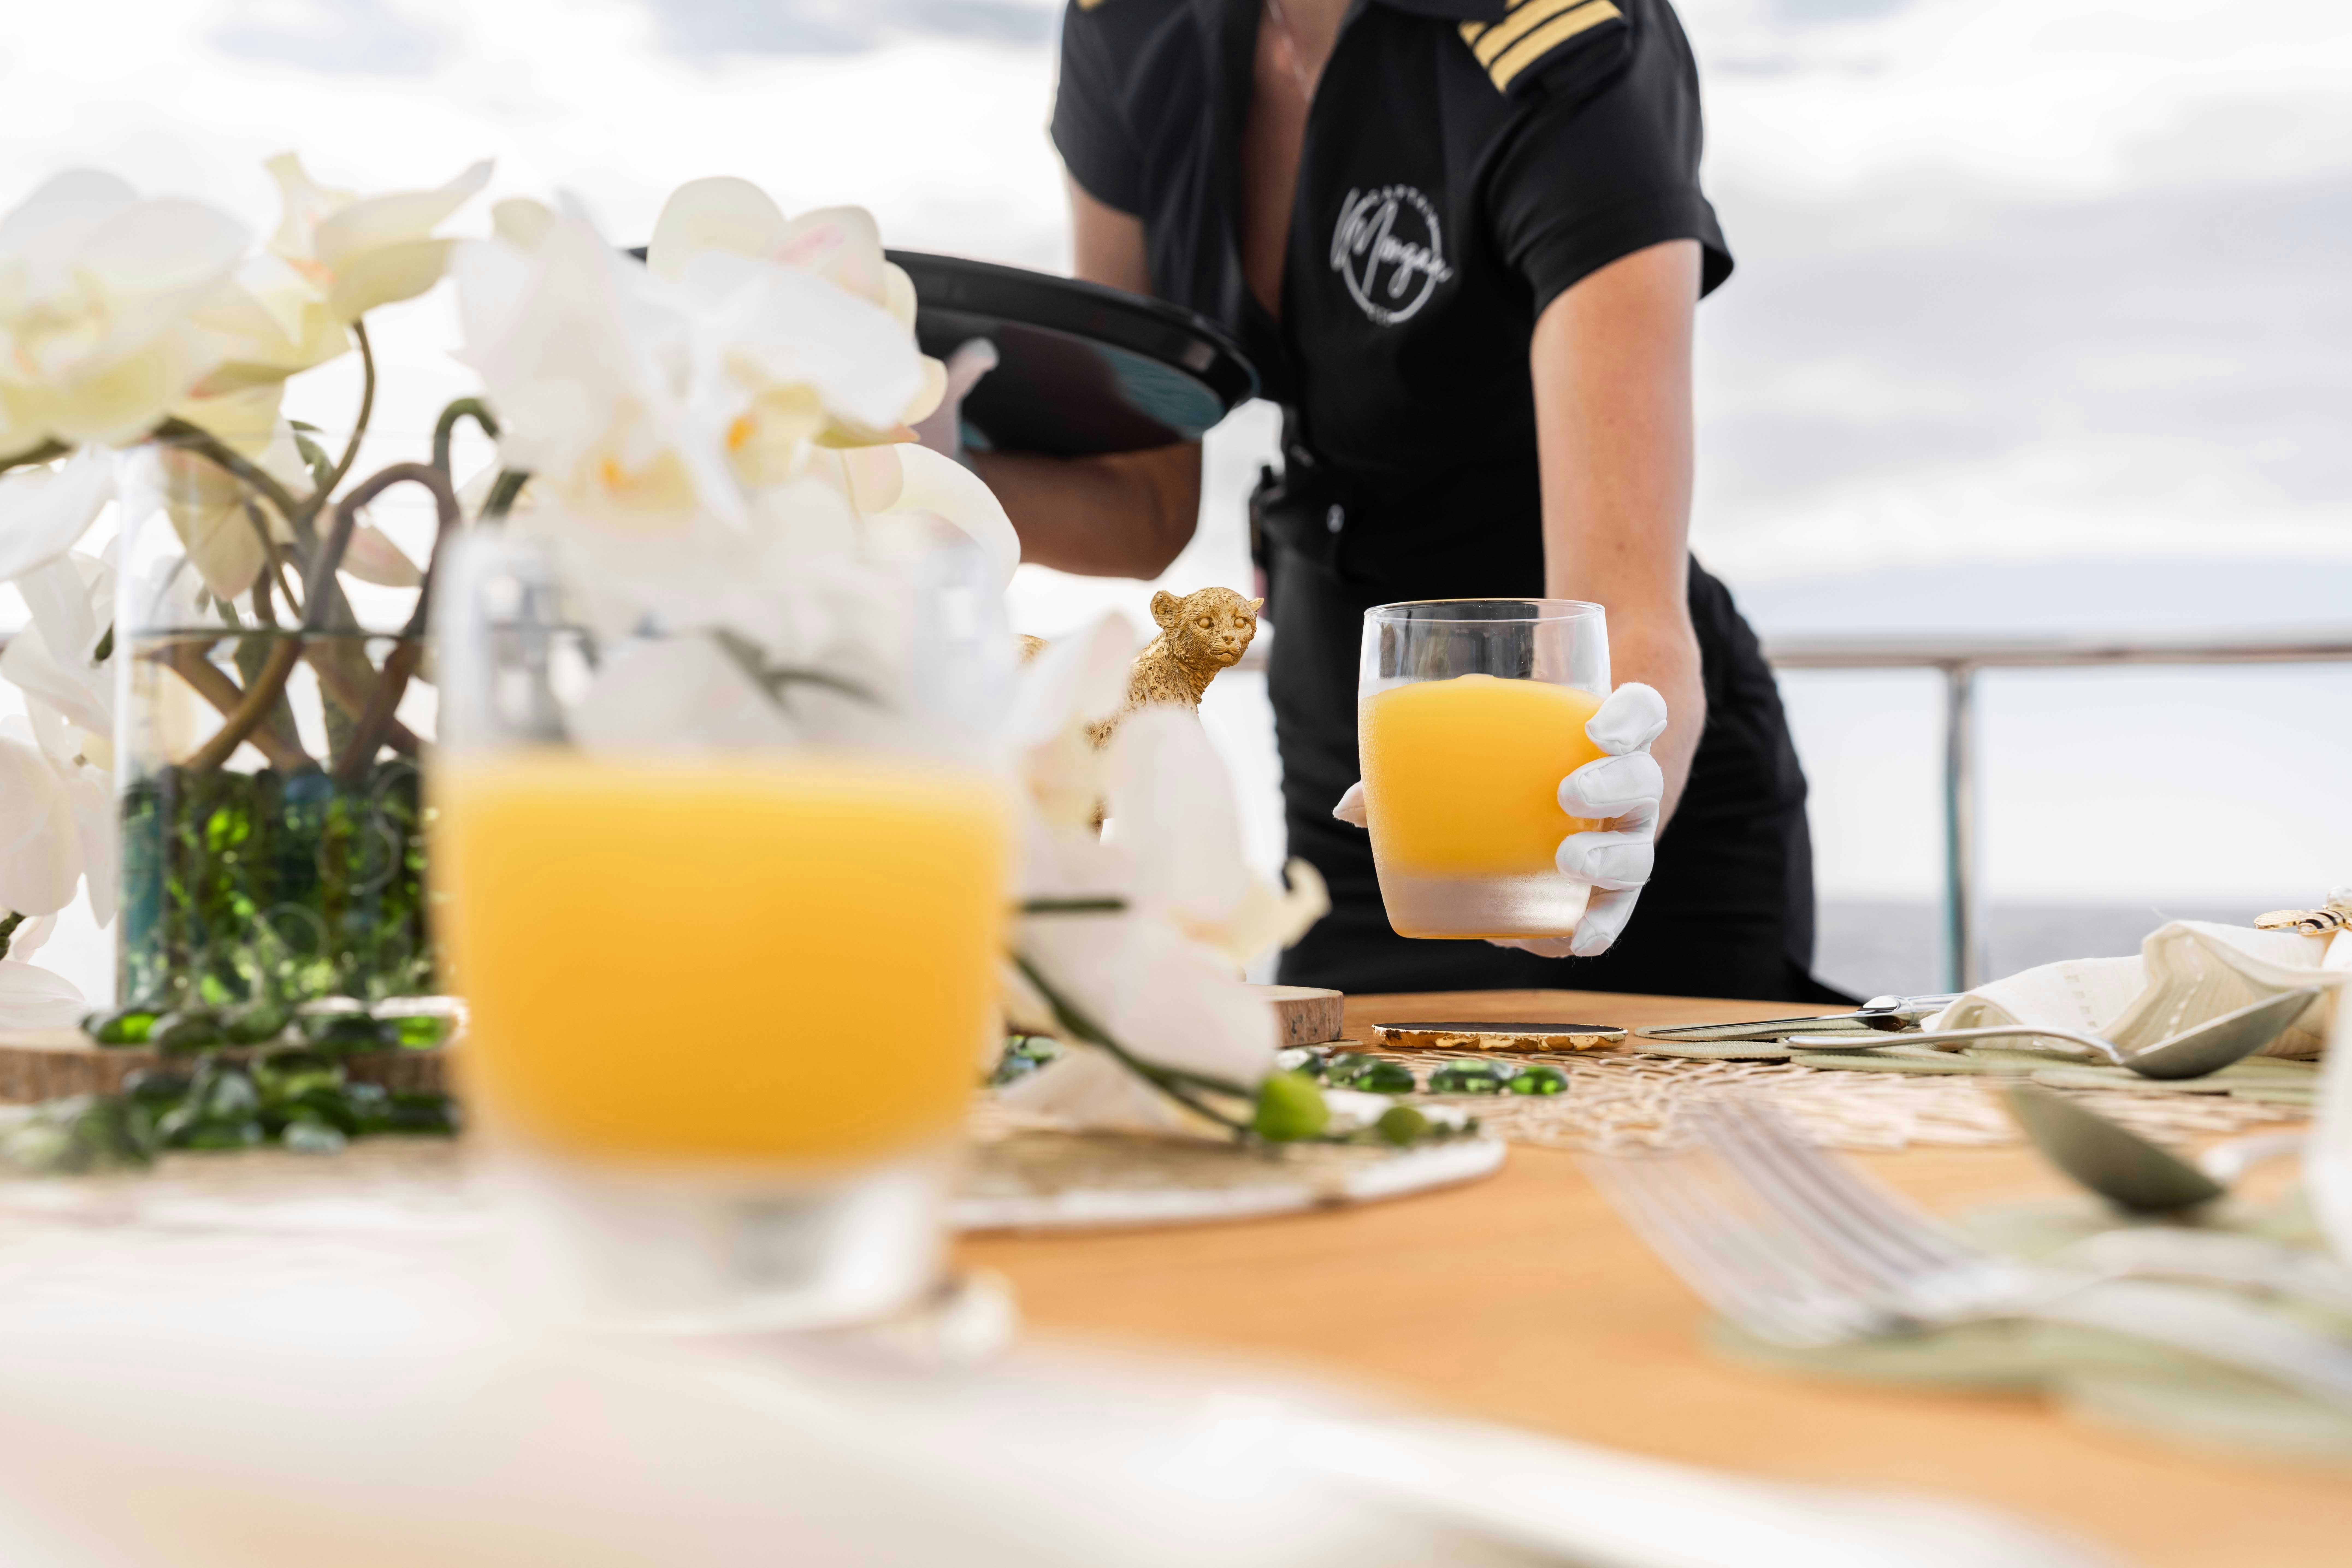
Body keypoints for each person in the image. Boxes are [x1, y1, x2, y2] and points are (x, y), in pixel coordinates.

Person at [972, 0, 1835, 1002]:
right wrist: (895, 462)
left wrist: (1605, 822)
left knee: (1638, 1153)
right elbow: (1140, 503)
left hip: (1584, 769)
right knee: (1348, 1142)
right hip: (1346, 771)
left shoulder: (1571, 42)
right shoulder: (1129, 26)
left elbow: (1626, 612)